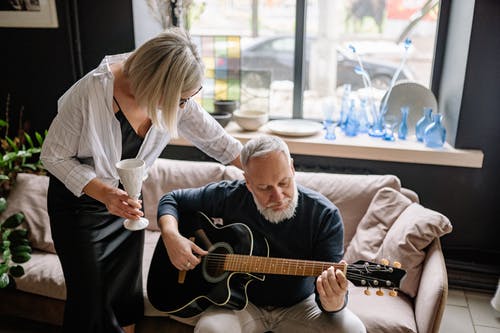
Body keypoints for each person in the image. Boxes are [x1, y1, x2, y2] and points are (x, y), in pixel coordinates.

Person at [40, 27, 242, 333]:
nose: (185, 107)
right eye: (182, 100)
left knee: (124, 295)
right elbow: (53, 156)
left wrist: (263, 167)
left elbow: (218, 141)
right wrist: (106, 194)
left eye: (190, 98)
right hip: (80, 208)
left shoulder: (174, 96)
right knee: (92, 304)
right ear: (157, 85)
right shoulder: (91, 93)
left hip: (128, 203)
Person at [152, 135, 366, 332]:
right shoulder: (231, 196)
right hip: (240, 304)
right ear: (248, 183)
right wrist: (172, 236)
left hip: (301, 304)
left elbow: (329, 300)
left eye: (284, 183)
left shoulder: (324, 216)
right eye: (264, 188)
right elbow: (172, 200)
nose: (278, 196)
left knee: (352, 329)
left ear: (292, 168)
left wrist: (334, 301)